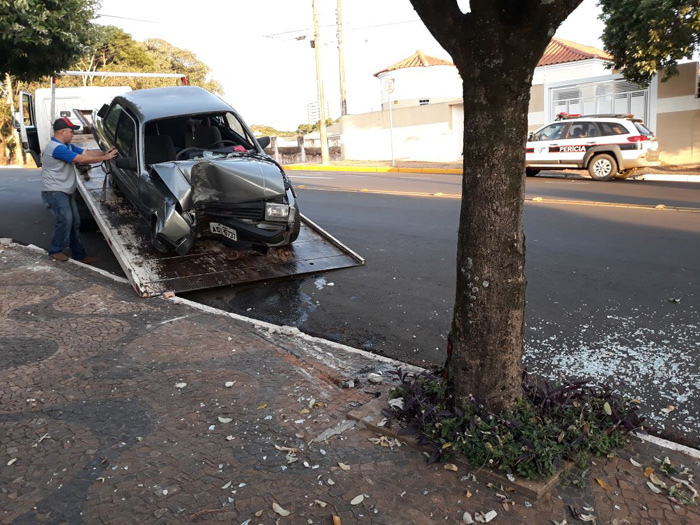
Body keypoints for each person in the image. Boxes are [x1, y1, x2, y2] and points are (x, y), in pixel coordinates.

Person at [41, 117, 117, 263]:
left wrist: (105, 152)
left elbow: (86, 153)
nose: (73, 134)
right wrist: (105, 157)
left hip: (65, 190)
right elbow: (81, 160)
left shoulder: (66, 145)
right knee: (65, 219)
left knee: (74, 222)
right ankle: (55, 250)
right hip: (54, 191)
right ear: (62, 132)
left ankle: (79, 254)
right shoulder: (56, 148)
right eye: (71, 131)